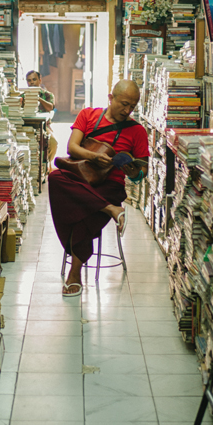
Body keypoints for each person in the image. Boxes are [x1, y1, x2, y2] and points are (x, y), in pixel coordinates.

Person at [48, 79, 149, 297]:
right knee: (56, 178)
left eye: (133, 106)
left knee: (83, 216)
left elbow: (141, 174)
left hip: (110, 185)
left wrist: (133, 171)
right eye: (123, 103)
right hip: (82, 176)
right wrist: (94, 156)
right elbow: (72, 147)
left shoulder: (137, 131)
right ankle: (110, 209)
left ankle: (74, 274)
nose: (127, 110)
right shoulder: (88, 115)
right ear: (111, 98)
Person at [22, 70, 58, 162]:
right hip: (27, 125)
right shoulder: (23, 95)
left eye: (34, 79)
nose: (32, 82)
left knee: (53, 143)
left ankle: (45, 165)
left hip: (44, 126)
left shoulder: (48, 95)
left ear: (40, 80)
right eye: (29, 80)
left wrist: (38, 98)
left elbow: (50, 107)